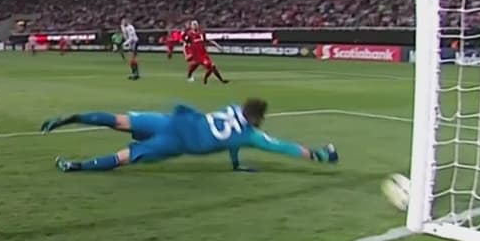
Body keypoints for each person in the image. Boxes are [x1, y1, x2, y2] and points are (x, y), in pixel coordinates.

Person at [40, 98, 338, 173]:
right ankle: (76, 166)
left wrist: (236, 164)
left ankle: (70, 118)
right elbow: (285, 147)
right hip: (179, 141)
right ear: (258, 119)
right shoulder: (252, 136)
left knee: (118, 120)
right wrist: (319, 154)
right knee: (125, 157)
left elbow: (231, 140)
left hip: (176, 120)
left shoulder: (232, 108)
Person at [184, 21, 229, 85]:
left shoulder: (201, 33)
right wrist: (186, 54)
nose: (195, 26)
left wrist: (217, 46)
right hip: (195, 56)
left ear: (198, 25)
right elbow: (185, 44)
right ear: (191, 26)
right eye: (193, 25)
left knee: (212, 67)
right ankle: (190, 77)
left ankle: (217, 79)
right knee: (192, 68)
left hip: (203, 55)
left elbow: (208, 40)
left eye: (196, 24)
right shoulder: (189, 35)